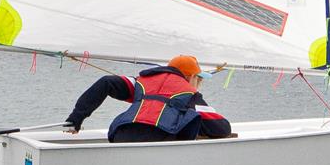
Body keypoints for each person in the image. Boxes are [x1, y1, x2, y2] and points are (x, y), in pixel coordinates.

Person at [63, 54, 234, 142]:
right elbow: (222, 128)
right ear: (190, 78)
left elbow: (106, 83)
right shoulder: (189, 93)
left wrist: (75, 120)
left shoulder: (140, 82)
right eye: (199, 79)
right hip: (156, 143)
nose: (199, 84)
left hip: (121, 135)